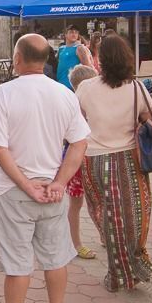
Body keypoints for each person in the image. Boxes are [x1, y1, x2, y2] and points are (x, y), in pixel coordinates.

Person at [0, 34, 89, 303]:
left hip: (14, 190)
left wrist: (26, 185)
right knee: (56, 257)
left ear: (17, 58)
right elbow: (80, 142)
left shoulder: (4, 94)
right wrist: (60, 182)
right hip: (52, 190)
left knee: (17, 261)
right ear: (47, 59)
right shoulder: (64, 94)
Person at [75, 37, 152, 292]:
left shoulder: (86, 88)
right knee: (134, 217)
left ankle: (116, 272)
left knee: (105, 216)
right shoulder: (137, 88)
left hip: (94, 160)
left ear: (101, 60)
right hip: (129, 159)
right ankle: (133, 266)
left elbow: (76, 121)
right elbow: (149, 118)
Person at [65, 64, 100, 261]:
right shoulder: (73, 104)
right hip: (80, 159)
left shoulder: (93, 101)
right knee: (80, 202)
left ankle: (83, 240)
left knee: (88, 202)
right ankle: (76, 243)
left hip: (88, 157)